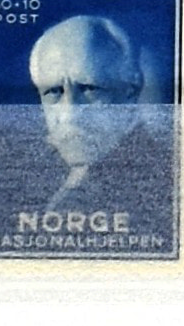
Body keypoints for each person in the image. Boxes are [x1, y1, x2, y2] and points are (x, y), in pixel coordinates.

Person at [26, 13, 175, 234]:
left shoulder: (161, 185)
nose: (70, 114)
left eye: (89, 89)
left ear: (130, 89)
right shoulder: (36, 180)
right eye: (54, 92)